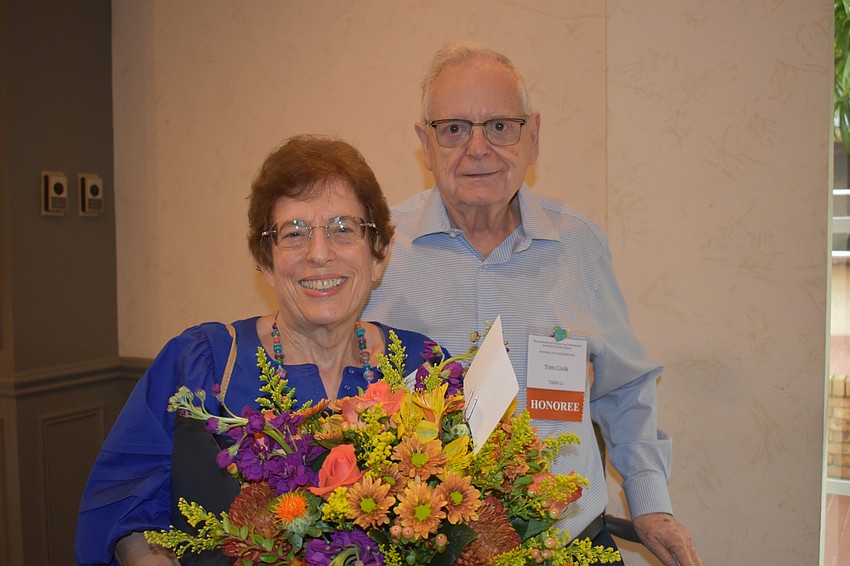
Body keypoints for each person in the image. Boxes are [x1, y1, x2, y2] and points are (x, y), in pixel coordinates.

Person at [363, 41, 702, 566]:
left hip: (570, 544)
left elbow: (624, 387)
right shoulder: (376, 250)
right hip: (428, 551)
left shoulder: (581, 245)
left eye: (500, 126)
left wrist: (651, 504)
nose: (478, 148)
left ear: (534, 136)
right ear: (425, 144)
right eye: (454, 129)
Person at [76, 135, 443, 565]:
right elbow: (121, 507)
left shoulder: (425, 369)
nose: (319, 254)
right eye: (294, 233)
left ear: (378, 254)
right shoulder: (201, 363)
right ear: (266, 262)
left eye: (343, 229)